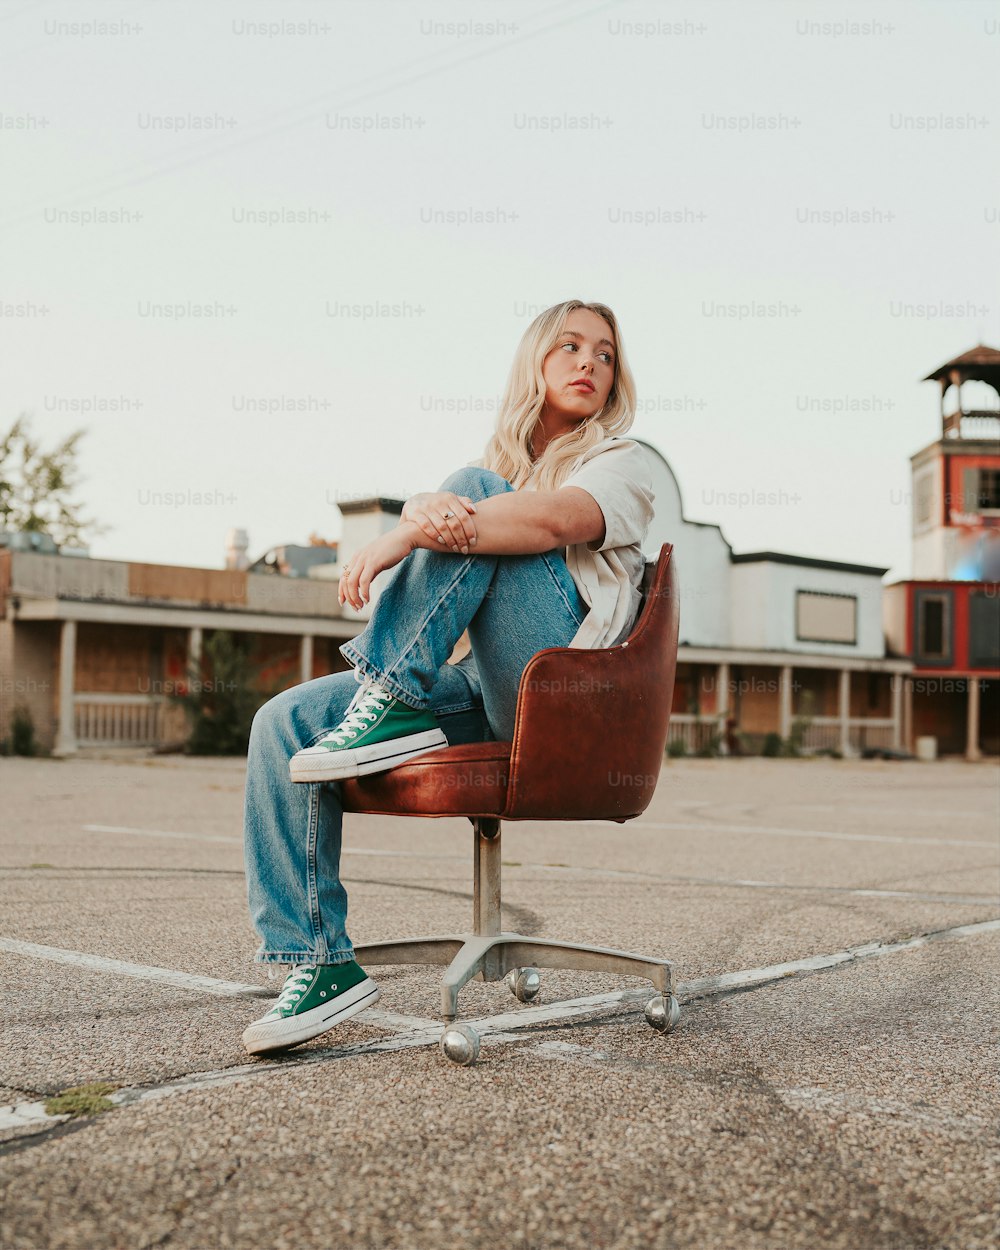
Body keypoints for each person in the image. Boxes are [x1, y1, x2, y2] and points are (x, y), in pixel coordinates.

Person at [241, 299, 656, 1055]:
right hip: (486, 685)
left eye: (604, 353)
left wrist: (408, 529)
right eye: (568, 347)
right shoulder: (499, 472)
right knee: (283, 726)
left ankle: (390, 695)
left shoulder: (626, 462)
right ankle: (319, 960)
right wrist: (432, 510)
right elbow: (480, 520)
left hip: (569, 693)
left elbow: (555, 522)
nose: (589, 362)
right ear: (534, 362)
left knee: (474, 487)